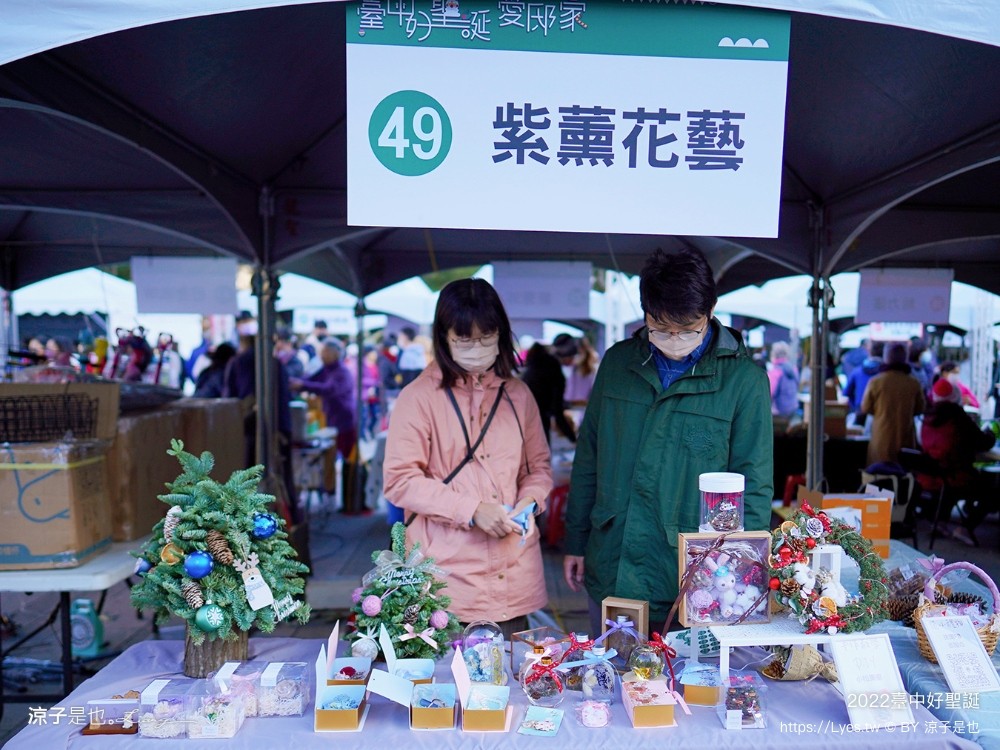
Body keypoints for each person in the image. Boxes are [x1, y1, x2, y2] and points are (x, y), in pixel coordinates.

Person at [563, 248, 773, 634]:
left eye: (688, 329)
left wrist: (740, 570)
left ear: (710, 312)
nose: (674, 339)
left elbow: (754, 484)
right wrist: (575, 540)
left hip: (695, 574)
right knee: (605, 680)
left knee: (685, 685)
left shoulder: (744, 381)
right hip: (613, 558)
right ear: (645, 314)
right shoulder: (617, 364)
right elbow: (589, 457)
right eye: (661, 328)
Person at [382, 278, 553, 636]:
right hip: (446, 577)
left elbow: (538, 468)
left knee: (512, 681)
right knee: (446, 687)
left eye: (486, 339)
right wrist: (471, 510)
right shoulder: (418, 398)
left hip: (513, 571)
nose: (477, 348)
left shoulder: (518, 395)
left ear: (501, 335)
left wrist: (529, 501)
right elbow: (399, 482)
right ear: (443, 337)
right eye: (464, 340)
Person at [914, 378, 996, 545]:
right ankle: (967, 526)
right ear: (955, 395)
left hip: (930, 475)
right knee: (993, 490)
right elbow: (982, 442)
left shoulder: (926, 417)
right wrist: (991, 434)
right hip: (954, 476)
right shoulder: (958, 417)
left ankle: (942, 522)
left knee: (951, 478)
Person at [290, 338, 358, 470]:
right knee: (331, 453)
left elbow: (328, 389)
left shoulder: (342, 371)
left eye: (325, 352)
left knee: (346, 458)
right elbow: (310, 380)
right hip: (332, 417)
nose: (322, 355)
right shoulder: (326, 369)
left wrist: (302, 385)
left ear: (335, 353)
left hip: (344, 419)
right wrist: (297, 382)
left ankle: (344, 486)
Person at [859, 342, 925, 465]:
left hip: (881, 439)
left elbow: (865, 408)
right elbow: (920, 408)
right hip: (906, 439)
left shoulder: (876, 382)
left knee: (878, 477)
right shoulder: (913, 383)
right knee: (904, 478)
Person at [520, 342, 576, 444]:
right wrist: (575, 440)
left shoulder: (529, 373)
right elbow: (557, 411)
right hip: (540, 428)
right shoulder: (554, 370)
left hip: (523, 428)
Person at [553, 333, 599, 406]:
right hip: (570, 412)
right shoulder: (569, 370)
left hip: (583, 413)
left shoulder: (593, 371)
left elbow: (595, 400)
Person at [842, 340, 883, 416]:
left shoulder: (857, 371)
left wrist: (855, 406)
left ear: (869, 352)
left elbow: (846, 392)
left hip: (860, 410)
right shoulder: (889, 374)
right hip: (882, 412)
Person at [767, 341, 799, 419]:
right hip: (793, 410)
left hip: (779, 413)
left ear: (773, 354)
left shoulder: (775, 372)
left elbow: (769, 394)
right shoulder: (794, 369)